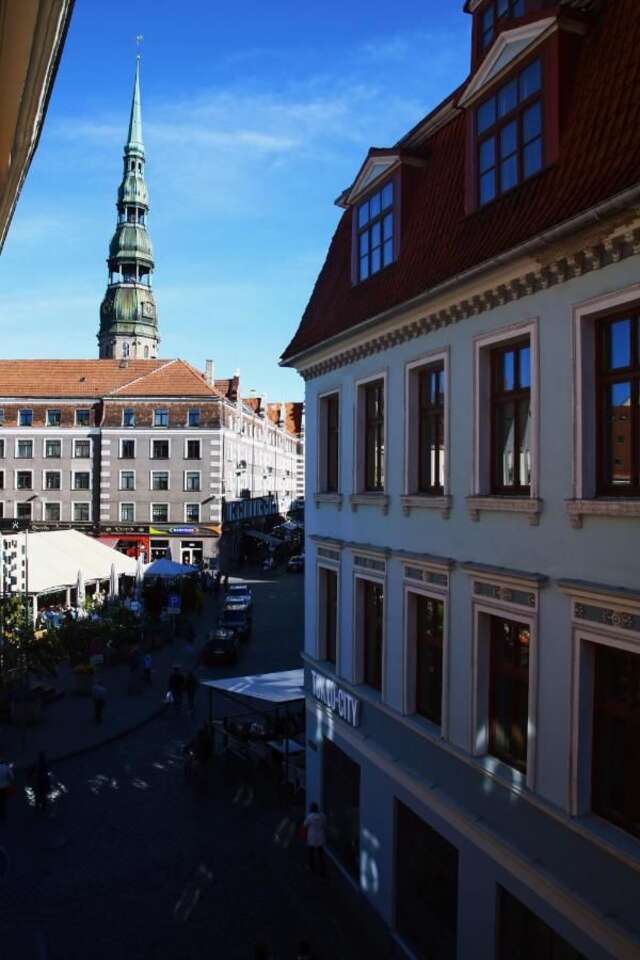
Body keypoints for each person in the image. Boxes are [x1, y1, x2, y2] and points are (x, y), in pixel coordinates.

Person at [304, 802, 327, 876]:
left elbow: (305, 825)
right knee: (320, 853)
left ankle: (311, 867)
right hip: (320, 836)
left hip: (312, 837)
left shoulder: (310, 817)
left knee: (311, 852)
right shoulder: (323, 816)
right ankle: (322, 868)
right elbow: (324, 824)